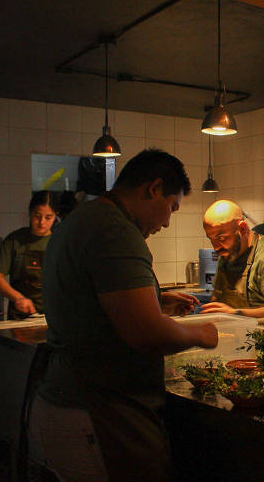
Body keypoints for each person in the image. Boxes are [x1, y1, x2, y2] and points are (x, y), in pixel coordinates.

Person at [29, 149, 218, 481]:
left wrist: (156, 301)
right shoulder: (115, 230)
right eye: (171, 208)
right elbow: (147, 334)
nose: (166, 221)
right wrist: (201, 335)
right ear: (153, 188)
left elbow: (96, 305)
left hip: (68, 402)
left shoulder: (84, 218)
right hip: (99, 412)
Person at [201, 200, 264, 318]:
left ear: (242, 228)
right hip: (231, 333)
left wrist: (235, 314)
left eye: (221, 238)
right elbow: (217, 299)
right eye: (211, 239)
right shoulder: (228, 253)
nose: (216, 247)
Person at [0, 191, 58, 318]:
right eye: (37, 216)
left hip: (53, 316)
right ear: (29, 213)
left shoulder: (61, 241)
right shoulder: (15, 240)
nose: (42, 222)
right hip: (20, 316)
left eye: (48, 217)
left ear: (55, 216)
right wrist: (18, 298)